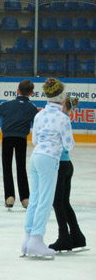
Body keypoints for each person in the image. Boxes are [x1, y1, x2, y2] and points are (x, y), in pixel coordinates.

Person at [20, 78, 74, 258]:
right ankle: (36, 240)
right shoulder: (62, 118)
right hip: (49, 158)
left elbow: (34, 140)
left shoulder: (39, 114)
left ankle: (27, 239)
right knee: (45, 199)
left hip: (35, 156)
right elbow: (69, 144)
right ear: (62, 97)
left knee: (35, 198)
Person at [0, 80, 38, 209]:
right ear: (32, 93)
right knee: (21, 168)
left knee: (7, 166)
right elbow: (38, 122)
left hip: (8, 138)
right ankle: (25, 198)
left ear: (17, 91)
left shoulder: (7, 104)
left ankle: (9, 197)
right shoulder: (32, 108)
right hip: (21, 139)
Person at [49, 95, 86, 252]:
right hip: (67, 165)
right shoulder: (64, 119)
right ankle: (77, 236)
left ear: (64, 106)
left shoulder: (61, 120)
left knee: (58, 202)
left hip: (60, 165)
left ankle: (64, 237)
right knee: (64, 202)